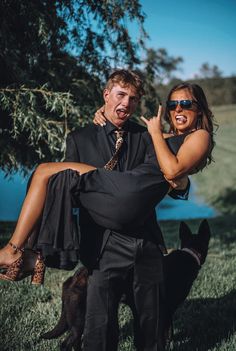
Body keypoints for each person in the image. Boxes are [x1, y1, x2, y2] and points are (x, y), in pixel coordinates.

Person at [0, 71, 214, 351]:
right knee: (99, 326)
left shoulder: (147, 135)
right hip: (104, 245)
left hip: (145, 242)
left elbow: (173, 170)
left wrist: (182, 182)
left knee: (152, 322)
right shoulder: (80, 138)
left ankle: (22, 252)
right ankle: (31, 253)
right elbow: (69, 192)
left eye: (132, 98)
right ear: (106, 95)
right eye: (120, 95)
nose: (126, 103)